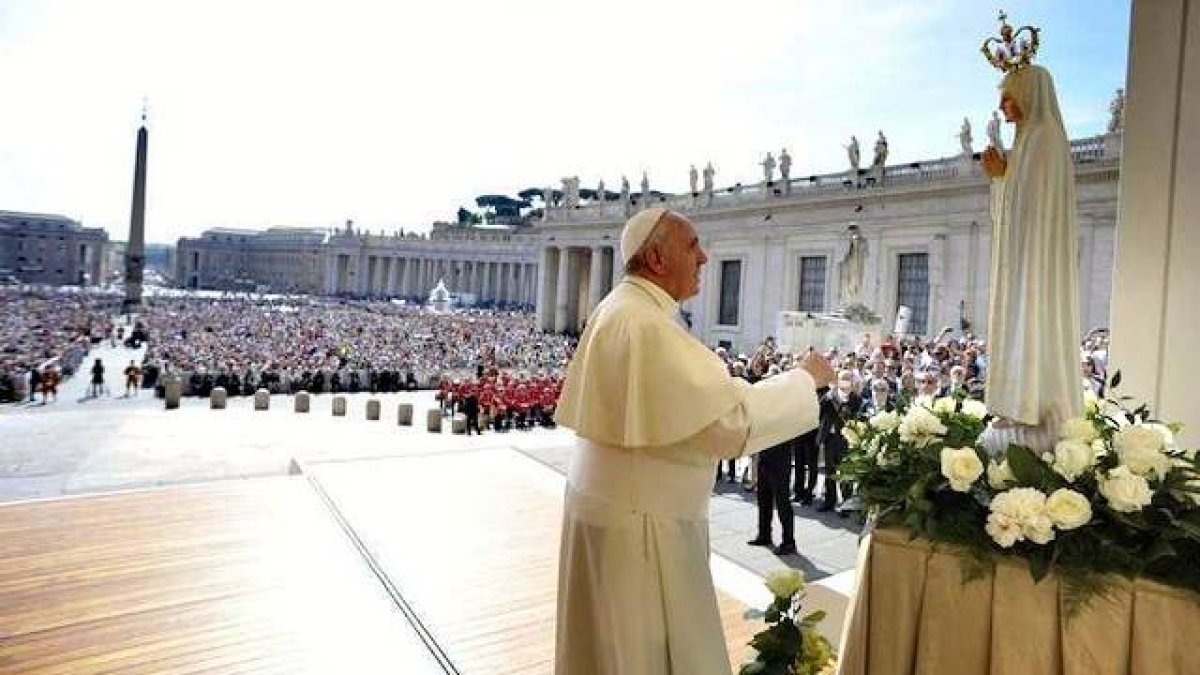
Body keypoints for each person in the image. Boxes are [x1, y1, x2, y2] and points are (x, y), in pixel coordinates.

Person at [553, 208, 834, 675]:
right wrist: (806, 381)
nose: (704, 256)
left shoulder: (622, 308)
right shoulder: (646, 323)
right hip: (645, 529)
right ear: (658, 258)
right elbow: (726, 423)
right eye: (692, 245)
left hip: (614, 510)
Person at [980, 63, 1082, 442]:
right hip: (1021, 253)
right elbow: (1014, 204)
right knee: (1018, 315)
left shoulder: (1045, 137)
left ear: (1031, 94)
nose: (1004, 105)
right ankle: (1014, 402)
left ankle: (1033, 404)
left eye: (1010, 96)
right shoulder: (1026, 139)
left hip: (1035, 256)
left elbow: (1034, 206)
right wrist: (1001, 176)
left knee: (1032, 315)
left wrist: (1006, 176)